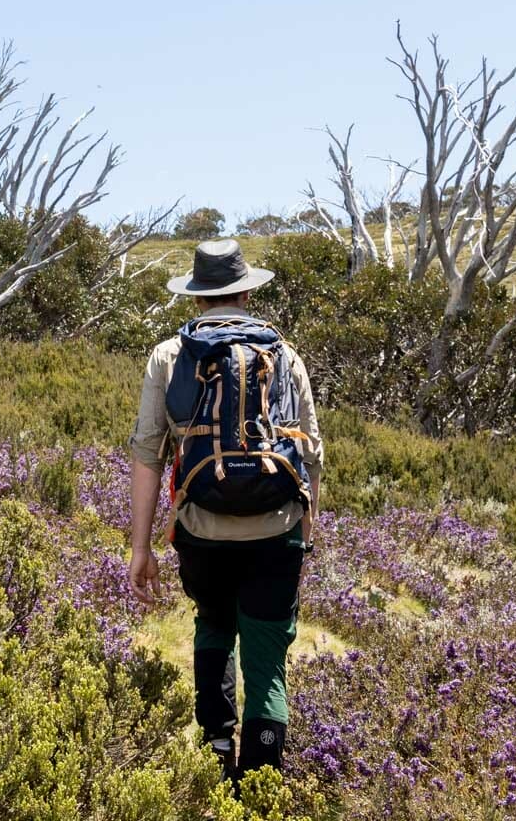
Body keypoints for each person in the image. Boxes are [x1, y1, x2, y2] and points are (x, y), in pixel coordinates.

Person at [127, 238, 323, 782]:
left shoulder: (170, 356)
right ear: (244, 290)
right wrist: (304, 532)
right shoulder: (285, 354)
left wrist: (141, 548)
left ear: (198, 297)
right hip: (275, 530)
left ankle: (216, 766)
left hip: (201, 532)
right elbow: (311, 455)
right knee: (267, 658)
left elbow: (148, 453)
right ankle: (261, 787)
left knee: (213, 625)